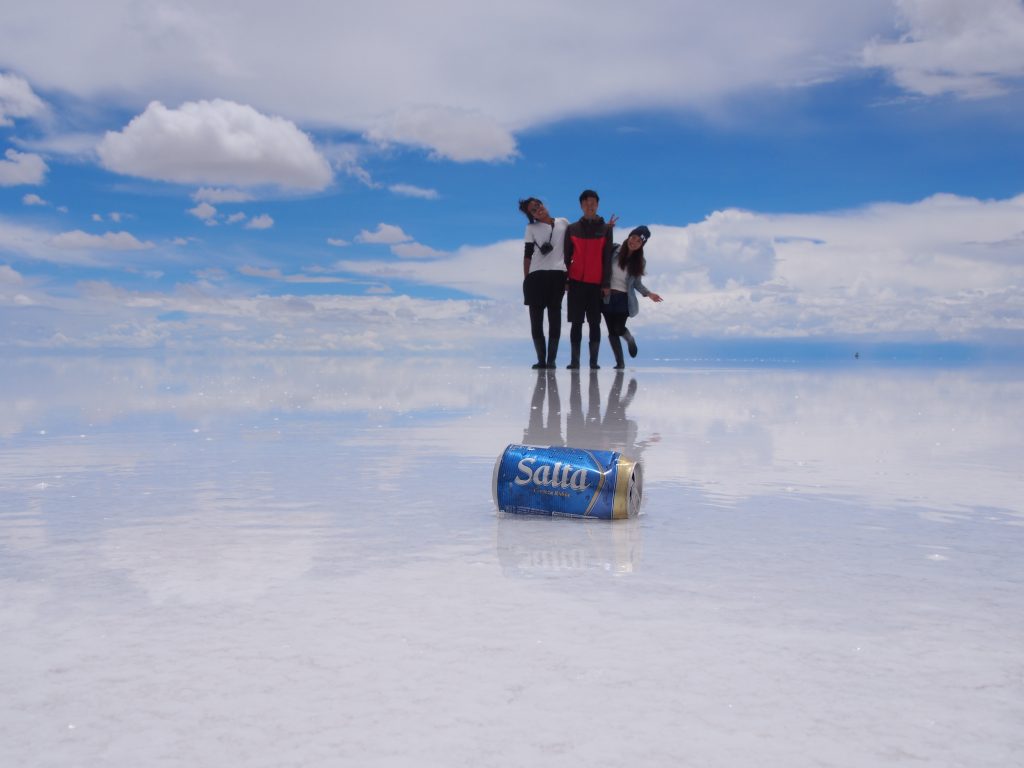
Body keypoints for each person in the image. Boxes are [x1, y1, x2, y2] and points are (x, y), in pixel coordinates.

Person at [564, 189, 617, 369]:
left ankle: (593, 362)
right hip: (576, 282)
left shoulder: (605, 230)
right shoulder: (572, 229)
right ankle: (575, 361)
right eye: (586, 203)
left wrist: (606, 283)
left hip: (596, 284)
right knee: (576, 323)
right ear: (581, 206)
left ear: (598, 205)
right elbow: (566, 256)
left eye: (593, 203)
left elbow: (607, 259)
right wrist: (566, 280)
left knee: (595, 323)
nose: (590, 206)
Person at [602, 225, 663, 369]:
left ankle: (630, 339)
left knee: (618, 328)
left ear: (641, 245)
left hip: (624, 299)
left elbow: (636, 283)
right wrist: (608, 229)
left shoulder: (640, 262)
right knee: (611, 332)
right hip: (607, 296)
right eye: (633, 238)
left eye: (638, 241)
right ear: (629, 237)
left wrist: (649, 294)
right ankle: (620, 363)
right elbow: (601, 244)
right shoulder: (613, 249)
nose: (634, 242)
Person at [518, 197, 569, 368]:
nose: (538, 209)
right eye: (533, 210)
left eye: (538, 205)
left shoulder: (563, 222)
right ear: (531, 215)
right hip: (536, 276)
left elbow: (571, 250)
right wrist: (527, 279)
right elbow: (527, 255)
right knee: (536, 320)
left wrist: (569, 276)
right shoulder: (531, 228)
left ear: (543, 204)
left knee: (555, 317)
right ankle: (541, 360)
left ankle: (551, 361)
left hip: (558, 275)